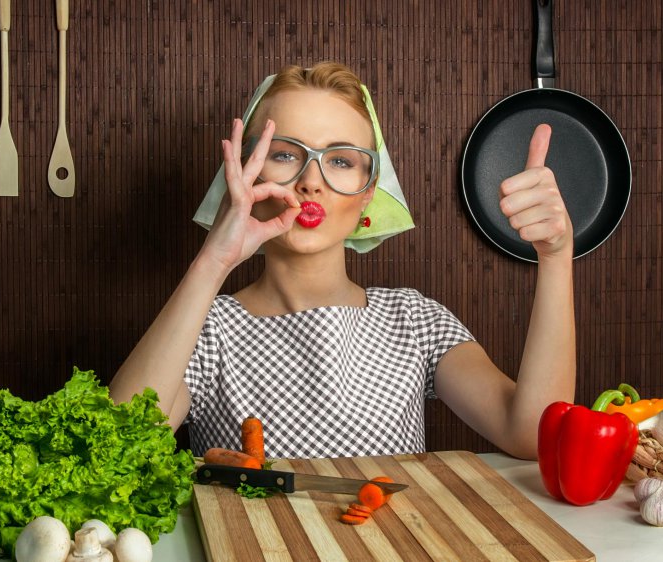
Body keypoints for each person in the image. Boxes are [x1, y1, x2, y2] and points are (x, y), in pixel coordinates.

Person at [109, 61, 575, 461]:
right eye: (285, 154)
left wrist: (555, 257)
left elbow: (533, 434)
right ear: (246, 174)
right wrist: (213, 261)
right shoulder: (207, 330)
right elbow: (118, 449)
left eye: (341, 161)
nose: (311, 181)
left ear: (370, 189)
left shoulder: (415, 321)